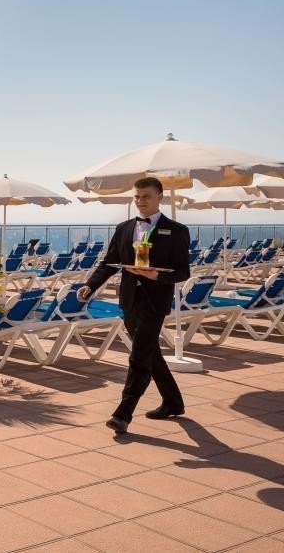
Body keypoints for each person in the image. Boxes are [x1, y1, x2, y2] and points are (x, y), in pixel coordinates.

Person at [76, 176, 191, 434]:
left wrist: (157, 276)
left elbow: (183, 272)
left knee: (139, 357)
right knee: (151, 353)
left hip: (155, 302)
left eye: (146, 196)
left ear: (160, 197)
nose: (140, 201)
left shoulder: (176, 230)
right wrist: (91, 285)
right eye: (137, 196)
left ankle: (123, 414)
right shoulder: (124, 228)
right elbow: (109, 263)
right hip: (129, 300)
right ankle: (173, 401)